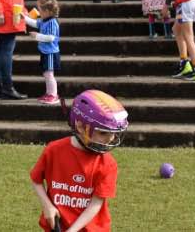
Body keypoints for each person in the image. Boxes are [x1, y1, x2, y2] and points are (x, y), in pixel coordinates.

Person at [29, 90, 126, 232]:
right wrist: (47, 206)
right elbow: (36, 179)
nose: (111, 139)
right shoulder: (53, 150)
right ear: (80, 126)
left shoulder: (108, 164)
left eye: (114, 133)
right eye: (103, 132)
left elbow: (96, 204)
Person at [22, 0, 61, 104]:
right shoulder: (44, 20)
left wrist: (37, 36)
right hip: (45, 52)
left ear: (48, 11)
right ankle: (49, 93)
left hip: (50, 53)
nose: (39, 13)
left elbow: (51, 37)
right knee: (46, 73)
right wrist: (24, 18)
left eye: (40, 11)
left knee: (49, 74)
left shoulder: (52, 22)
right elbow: (35, 23)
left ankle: (53, 95)